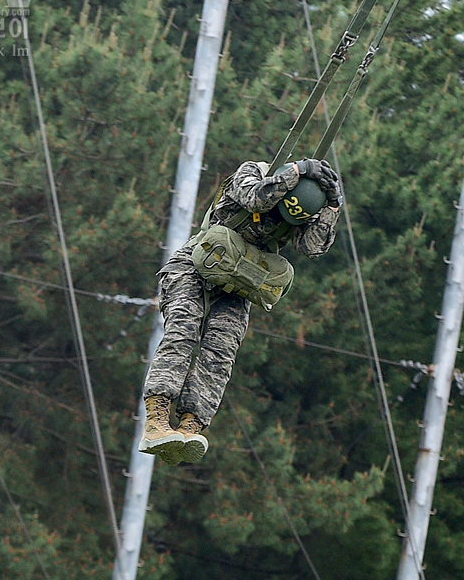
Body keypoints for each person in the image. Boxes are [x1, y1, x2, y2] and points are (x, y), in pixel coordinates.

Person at [139, 158, 343, 465]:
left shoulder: (296, 218)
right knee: (183, 331)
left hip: (237, 286)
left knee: (220, 354)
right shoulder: (253, 174)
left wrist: (332, 206)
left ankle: (190, 425)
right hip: (195, 267)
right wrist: (297, 172)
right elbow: (254, 197)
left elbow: (313, 247)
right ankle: (156, 420)